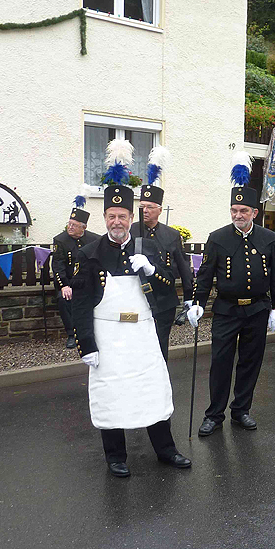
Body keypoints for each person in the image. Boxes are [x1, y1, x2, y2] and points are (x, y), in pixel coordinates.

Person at [72, 140, 190, 478]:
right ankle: (115, 456)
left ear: (130, 217)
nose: (117, 221)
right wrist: (86, 345)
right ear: (105, 217)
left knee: (151, 388)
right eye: (111, 216)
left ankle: (166, 450)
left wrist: (152, 270)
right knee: (113, 393)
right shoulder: (90, 254)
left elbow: (168, 288)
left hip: (142, 332)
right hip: (108, 336)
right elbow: (81, 304)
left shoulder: (147, 247)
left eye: (122, 216)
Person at [186, 152, 275, 436]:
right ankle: (214, 414)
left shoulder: (268, 238)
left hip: (256, 310)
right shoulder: (218, 237)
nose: (238, 216)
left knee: (250, 362)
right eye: (234, 211)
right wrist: (197, 303)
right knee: (220, 363)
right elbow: (205, 274)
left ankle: (241, 410)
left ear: (254, 212)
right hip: (227, 310)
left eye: (243, 211)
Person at [131, 147, 194, 361]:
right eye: (142, 207)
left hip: (164, 299)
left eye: (150, 207)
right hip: (136, 298)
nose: (145, 210)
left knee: (159, 347)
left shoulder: (171, 235)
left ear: (159, 209)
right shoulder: (131, 231)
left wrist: (189, 297)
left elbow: (183, 266)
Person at [52, 197, 99, 349]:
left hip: (87, 282)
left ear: (83, 228)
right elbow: (58, 265)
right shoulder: (60, 240)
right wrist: (64, 285)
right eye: (69, 224)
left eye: (74, 225)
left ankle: (94, 331)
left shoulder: (94, 239)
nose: (70, 227)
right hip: (69, 282)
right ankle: (72, 334)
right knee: (63, 298)